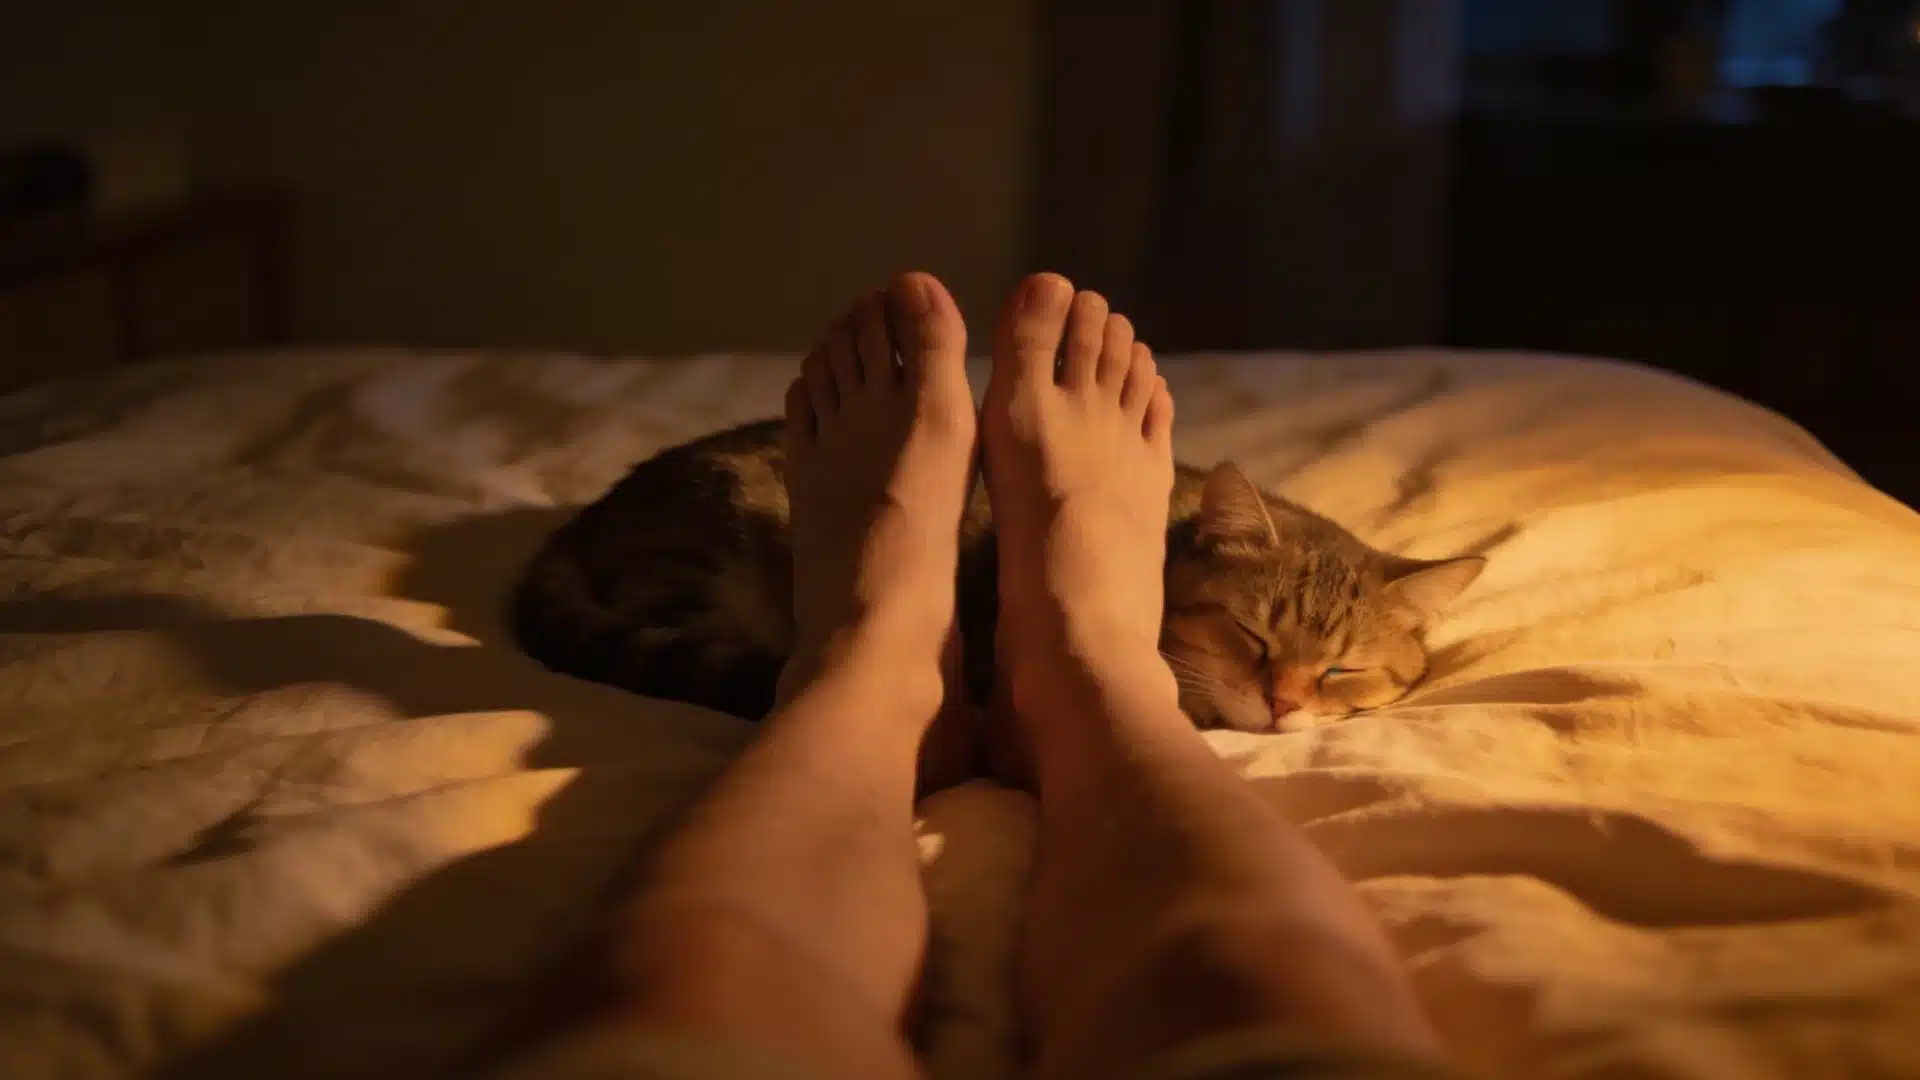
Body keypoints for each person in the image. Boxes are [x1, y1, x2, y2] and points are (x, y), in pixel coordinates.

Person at [491, 273, 1472, 1080]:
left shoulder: (1357, 612)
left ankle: (880, 664)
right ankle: (1079, 676)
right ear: (1205, 550)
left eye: (1340, 678)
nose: (1291, 697)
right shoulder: (1232, 548)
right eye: (1259, 649)